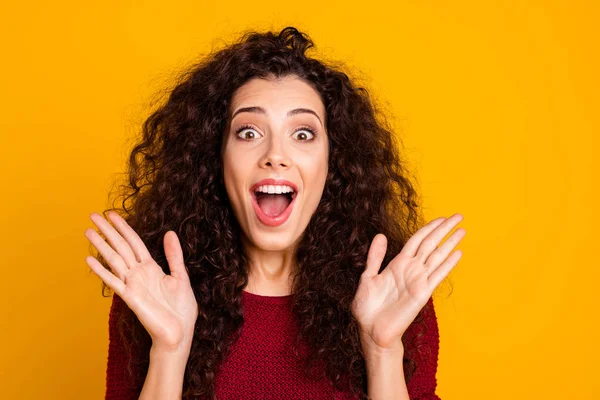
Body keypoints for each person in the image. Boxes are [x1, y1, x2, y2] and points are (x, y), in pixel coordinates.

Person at [84, 26, 465, 400]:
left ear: (334, 162)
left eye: (303, 134)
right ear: (215, 157)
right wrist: (169, 351)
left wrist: (382, 350)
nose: (275, 156)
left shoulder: (391, 290)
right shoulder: (156, 289)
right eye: (249, 132)